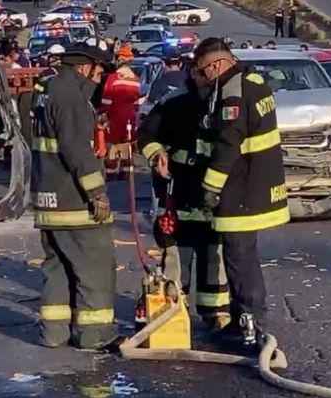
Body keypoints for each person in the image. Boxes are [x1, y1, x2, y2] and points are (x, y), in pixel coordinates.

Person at [193, 38, 290, 355]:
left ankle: (250, 326)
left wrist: (210, 186)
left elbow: (228, 144)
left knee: (239, 259)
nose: (204, 79)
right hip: (258, 186)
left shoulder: (233, 92)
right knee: (242, 256)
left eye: (205, 72)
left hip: (242, 190)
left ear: (217, 65)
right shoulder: (253, 81)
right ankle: (243, 320)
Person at [31, 40, 118, 350]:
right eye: (99, 73)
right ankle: (94, 335)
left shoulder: (48, 91)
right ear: (85, 67)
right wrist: (97, 194)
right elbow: (78, 152)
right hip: (75, 204)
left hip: (48, 202)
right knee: (93, 269)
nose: (99, 80)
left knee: (57, 270)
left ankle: (54, 334)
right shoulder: (72, 98)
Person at [137, 62, 232, 330]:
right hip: (179, 194)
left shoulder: (229, 102)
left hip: (217, 198)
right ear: (193, 73)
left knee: (216, 256)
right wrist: (157, 154)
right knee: (177, 256)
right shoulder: (173, 103)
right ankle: (173, 310)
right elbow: (145, 135)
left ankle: (217, 314)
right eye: (202, 72)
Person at [100, 55, 143, 181]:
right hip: (130, 115)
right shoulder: (135, 79)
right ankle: (125, 170)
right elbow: (137, 101)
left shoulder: (113, 78)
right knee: (126, 141)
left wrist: (103, 112)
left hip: (115, 114)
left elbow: (107, 99)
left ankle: (111, 171)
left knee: (112, 143)